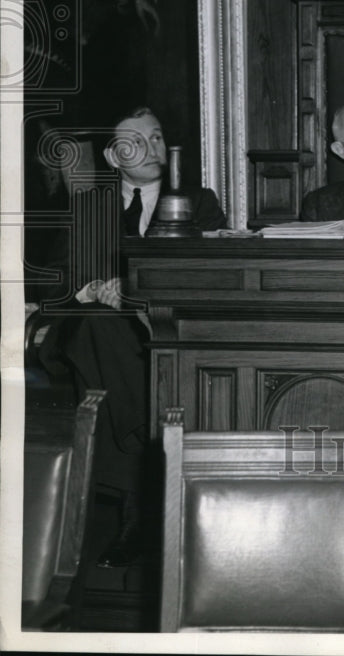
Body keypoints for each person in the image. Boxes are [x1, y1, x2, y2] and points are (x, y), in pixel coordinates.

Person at [36, 106, 226, 567]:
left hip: (159, 331)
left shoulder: (197, 201)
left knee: (130, 333)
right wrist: (89, 290)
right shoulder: (89, 207)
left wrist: (136, 295)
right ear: (112, 155)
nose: (151, 147)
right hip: (88, 334)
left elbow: (211, 275)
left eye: (157, 137)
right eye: (136, 140)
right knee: (101, 325)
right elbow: (51, 282)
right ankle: (147, 488)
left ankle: (134, 504)